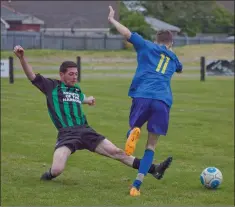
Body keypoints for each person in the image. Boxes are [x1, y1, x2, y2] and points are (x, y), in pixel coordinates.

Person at [13, 45, 172, 188]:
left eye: (76, 74)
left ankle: (154, 169)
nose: (75, 77)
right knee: (56, 169)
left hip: (85, 130)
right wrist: (22, 58)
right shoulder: (51, 86)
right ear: (61, 74)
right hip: (67, 134)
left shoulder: (76, 90)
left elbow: (78, 99)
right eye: (71, 74)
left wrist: (87, 100)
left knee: (117, 152)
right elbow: (32, 76)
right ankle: (47, 177)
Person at [108, 6, 183, 196]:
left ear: (156, 40)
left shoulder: (146, 45)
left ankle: (133, 131)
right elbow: (179, 68)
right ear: (171, 43)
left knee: (134, 127)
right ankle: (136, 186)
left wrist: (112, 20)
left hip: (142, 94)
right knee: (151, 145)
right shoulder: (174, 58)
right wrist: (171, 57)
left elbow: (127, 33)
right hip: (162, 100)